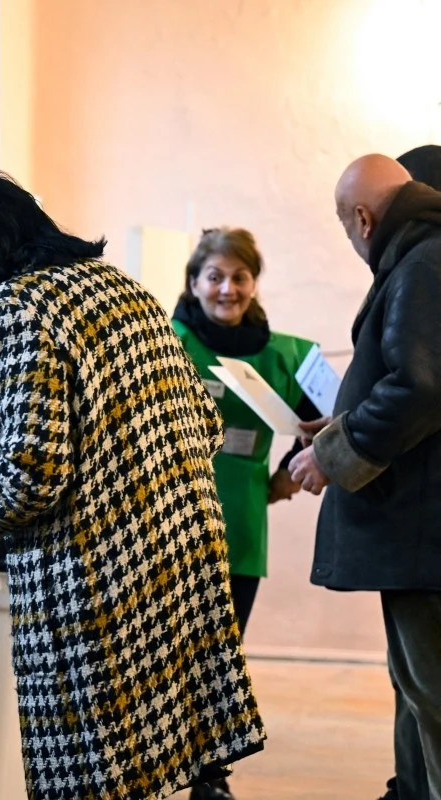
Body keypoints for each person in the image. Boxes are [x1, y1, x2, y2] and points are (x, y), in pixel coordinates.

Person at [0, 168, 265, 799]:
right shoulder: (118, 286)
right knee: (157, 759)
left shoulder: (19, 307)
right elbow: (204, 424)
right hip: (177, 555)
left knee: (87, 775)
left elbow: (30, 482)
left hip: (90, 573)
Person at [289, 154, 441, 799]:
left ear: (361, 216)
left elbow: (419, 388)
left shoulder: (425, 262)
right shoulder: (423, 256)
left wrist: (334, 452)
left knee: (433, 696)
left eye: (343, 225)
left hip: (423, 529)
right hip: (418, 529)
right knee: (416, 691)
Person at [171, 227, 319, 800]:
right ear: (194, 281)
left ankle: (211, 776)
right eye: (215, 276)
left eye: (239, 276)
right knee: (170, 653)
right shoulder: (167, 342)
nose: (227, 288)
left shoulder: (290, 353)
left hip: (241, 524)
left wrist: (288, 477)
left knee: (222, 657)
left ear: (254, 283)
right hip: (172, 523)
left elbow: (332, 422)